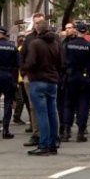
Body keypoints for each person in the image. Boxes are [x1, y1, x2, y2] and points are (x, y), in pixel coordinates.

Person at [21, 19, 62, 155]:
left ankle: (44, 144)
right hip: (52, 80)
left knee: (42, 114)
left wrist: (23, 69)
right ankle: (53, 143)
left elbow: (31, 62)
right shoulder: (55, 43)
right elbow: (60, 62)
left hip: (38, 80)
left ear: (37, 29)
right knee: (52, 112)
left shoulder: (35, 43)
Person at [62, 22, 90, 142]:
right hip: (85, 77)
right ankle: (81, 132)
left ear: (76, 31)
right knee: (83, 105)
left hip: (71, 76)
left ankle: (67, 130)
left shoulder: (68, 45)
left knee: (69, 104)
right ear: (86, 32)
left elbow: (63, 61)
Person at [20, 13, 46, 147]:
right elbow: (22, 56)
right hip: (30, 77)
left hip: (47, 77)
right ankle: (36, 134)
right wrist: (24, 73)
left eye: (39, 23)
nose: (37, 25)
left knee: (49, 106)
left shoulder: (50, 38)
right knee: (33, 107)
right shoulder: (29, 39)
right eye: (35, 23)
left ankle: (50, 134)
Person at [12, 35, 29, 126]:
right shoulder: (21, 51)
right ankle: (16, 117)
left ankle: (17, 117)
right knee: (22, 99)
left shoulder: (18, 50)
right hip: (20, 79)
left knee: (23, 99)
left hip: (20, 79)